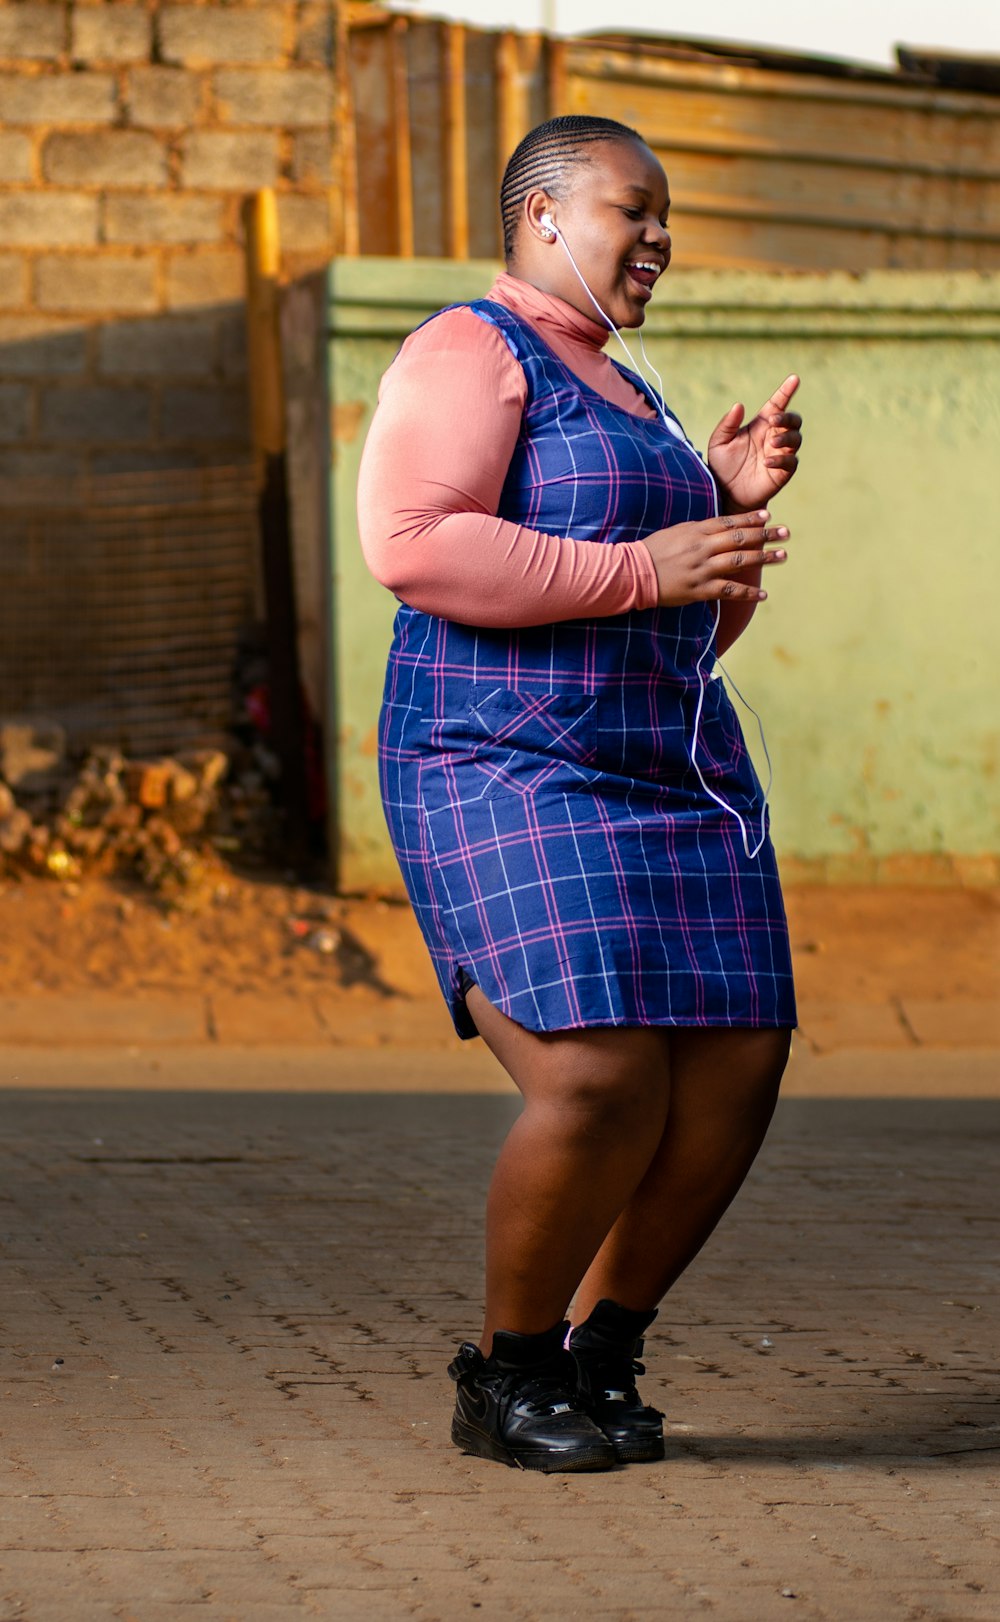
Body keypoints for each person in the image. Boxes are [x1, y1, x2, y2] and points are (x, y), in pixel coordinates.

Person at [357, 114, 802, 1474]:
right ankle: (507, 1373)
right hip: (499, 762)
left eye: (670, 217)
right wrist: (648, 567)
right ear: (541, 215)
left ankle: (603, 1349)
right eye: (634, 209)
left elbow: (674, 630)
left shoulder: (636, 396)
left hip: (664, 768)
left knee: (736, 1062)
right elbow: (411, 543)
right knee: (599, 1070)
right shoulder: (468, 350)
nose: (659, 237)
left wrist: (722, 528)